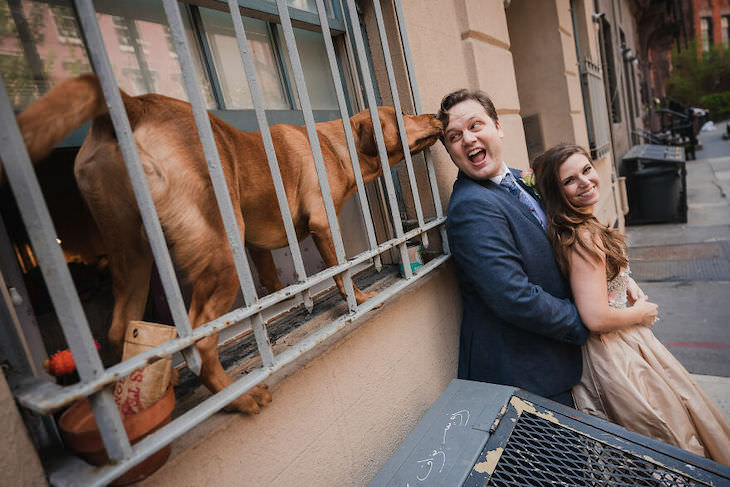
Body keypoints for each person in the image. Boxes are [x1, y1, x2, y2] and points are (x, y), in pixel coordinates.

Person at [532, 142, 730, 464]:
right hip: (613, 351)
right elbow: (595, 317)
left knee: (677, 422)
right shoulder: (584, 237)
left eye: (586, 170)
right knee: (667, 434)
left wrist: (625, 282)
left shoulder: (584, 227)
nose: (584, 182)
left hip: (624, 342)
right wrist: (641, 313)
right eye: (570, 180)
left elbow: (596, 278)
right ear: (558, 192)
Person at [439, 89, 595, 407]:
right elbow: (513, 296)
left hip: (554, 365)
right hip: (525, 379)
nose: (467, 139)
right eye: (454, 136)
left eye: (475, 126)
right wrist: (584, 321)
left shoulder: (520, 179)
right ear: (450, 151)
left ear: (498, 126)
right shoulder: (472, 206)